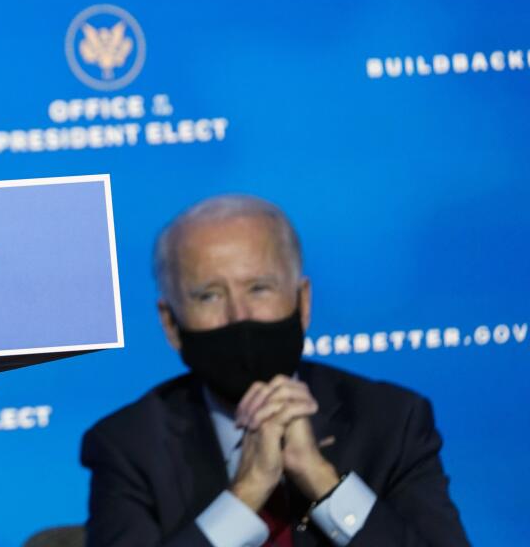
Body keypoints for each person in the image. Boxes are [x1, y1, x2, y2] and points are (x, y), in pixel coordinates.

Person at [81, 195, 469, 547]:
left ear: (302, 302)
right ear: (170, 324)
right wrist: (245, 494)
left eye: (259, 288)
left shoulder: (391, 421)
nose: (239, 316)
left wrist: (323, 481)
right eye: (209, 295)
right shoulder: (128, 446)